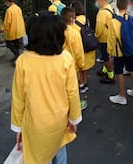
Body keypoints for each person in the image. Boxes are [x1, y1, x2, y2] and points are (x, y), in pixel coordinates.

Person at [11, 11, 82, 164]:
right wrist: (74, 119)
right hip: (59, 121)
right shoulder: (65, 59)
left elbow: (18, 98)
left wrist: (18, 127)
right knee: (60, 152)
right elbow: (73, 93)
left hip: (34, 124)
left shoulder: (23, 61)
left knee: (40, 157)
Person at [107, 0, 133, 105]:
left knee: (119, 72)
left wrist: (110, 53)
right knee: (132, 70)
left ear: (116, 5)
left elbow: (111, 40)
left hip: (118, 52)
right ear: (127, 6)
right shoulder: (131, 19)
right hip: (129, 50)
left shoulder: (113, 22)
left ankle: (122, 96)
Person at [61, 7, 88, 110]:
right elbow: (79, 53)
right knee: (73, 88)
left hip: (59, 64)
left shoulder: (57, 31)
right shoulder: (74, 33)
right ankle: (75, 106)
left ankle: (63, 104)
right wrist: (81, 65)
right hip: (72, 66)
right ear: (73, 19)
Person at [70, 1, 96, 93]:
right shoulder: (85, 19)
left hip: (81, 48)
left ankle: (80, 84)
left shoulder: (74, 23)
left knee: (79, 68)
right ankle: (85, 83)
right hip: (88, 47)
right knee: (85, 68)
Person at [95, 0, 115, 84]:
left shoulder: (102, 12)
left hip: (104, 38)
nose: (96, 2)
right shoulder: (109, 8)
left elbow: (99, 26)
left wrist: (96, 36)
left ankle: (110, 76)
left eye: (97, 0)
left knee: (106, 57)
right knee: (108, 56)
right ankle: (105, 70)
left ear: (101, 0)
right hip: (110, 36)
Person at [2, 0, 26, 64]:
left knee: (9, 44)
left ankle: (18, 56)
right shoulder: (18, 8)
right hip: (20, 31)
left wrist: (3, 29)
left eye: (6, 2)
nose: (6, 3)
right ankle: (18, 57)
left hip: (13, 32)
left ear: (8, 1)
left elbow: (7, 23)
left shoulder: (9, 10)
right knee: (17, 45)